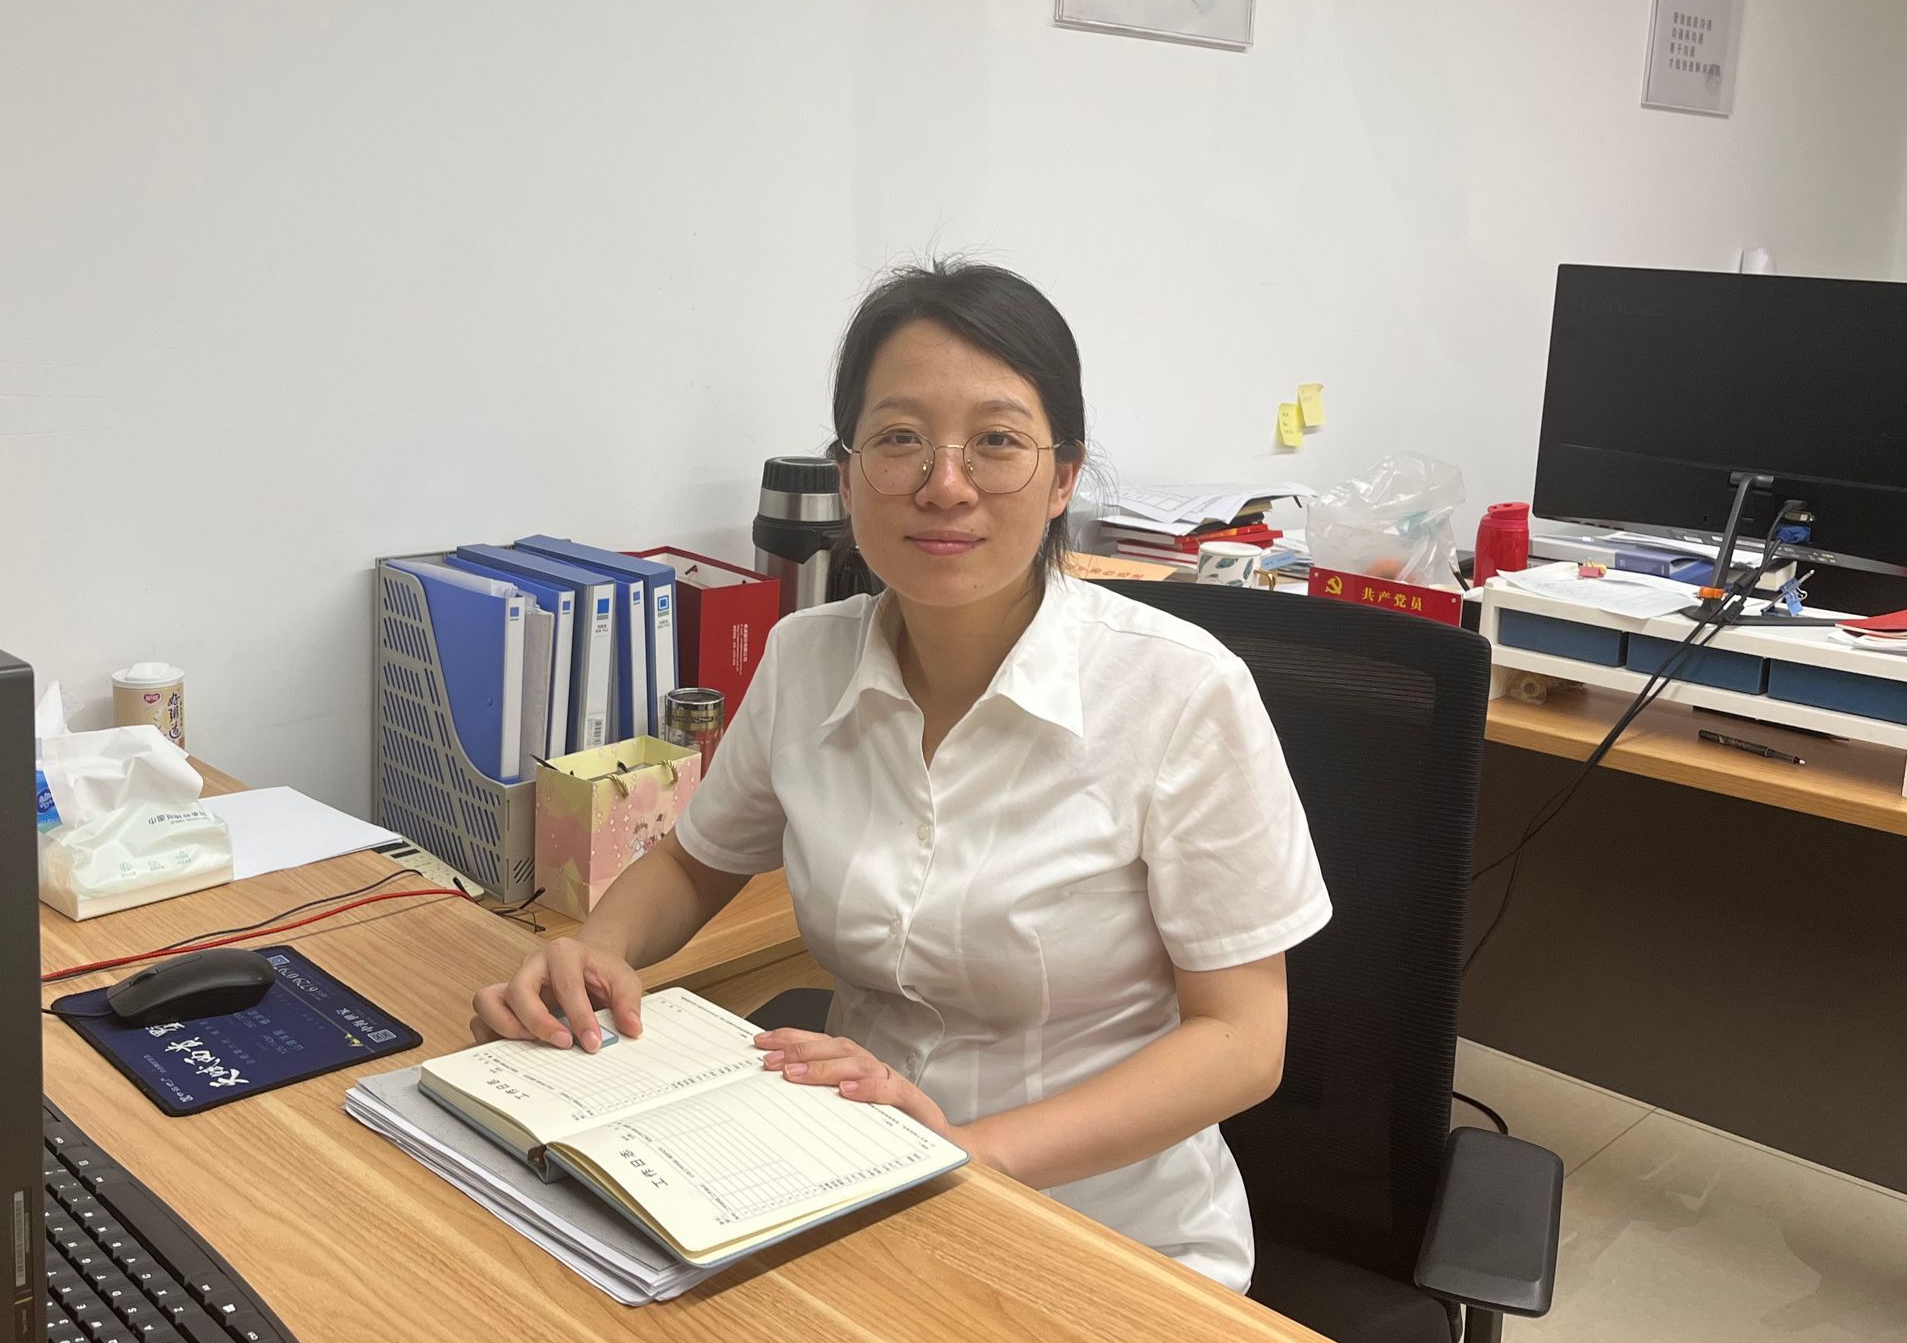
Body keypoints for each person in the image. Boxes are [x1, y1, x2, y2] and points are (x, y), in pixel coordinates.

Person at [470, 259, 1329, 1289]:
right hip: (846, 1185)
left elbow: (1242, 1040)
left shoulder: (1180, 692)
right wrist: (596, 949)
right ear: (847, 476)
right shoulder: (805, 658)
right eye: (898, 440)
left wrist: (968, 1153)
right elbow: (698, 864)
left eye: (997, 442)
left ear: (1063, 477)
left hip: (1106, 1237)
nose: (944, 485)